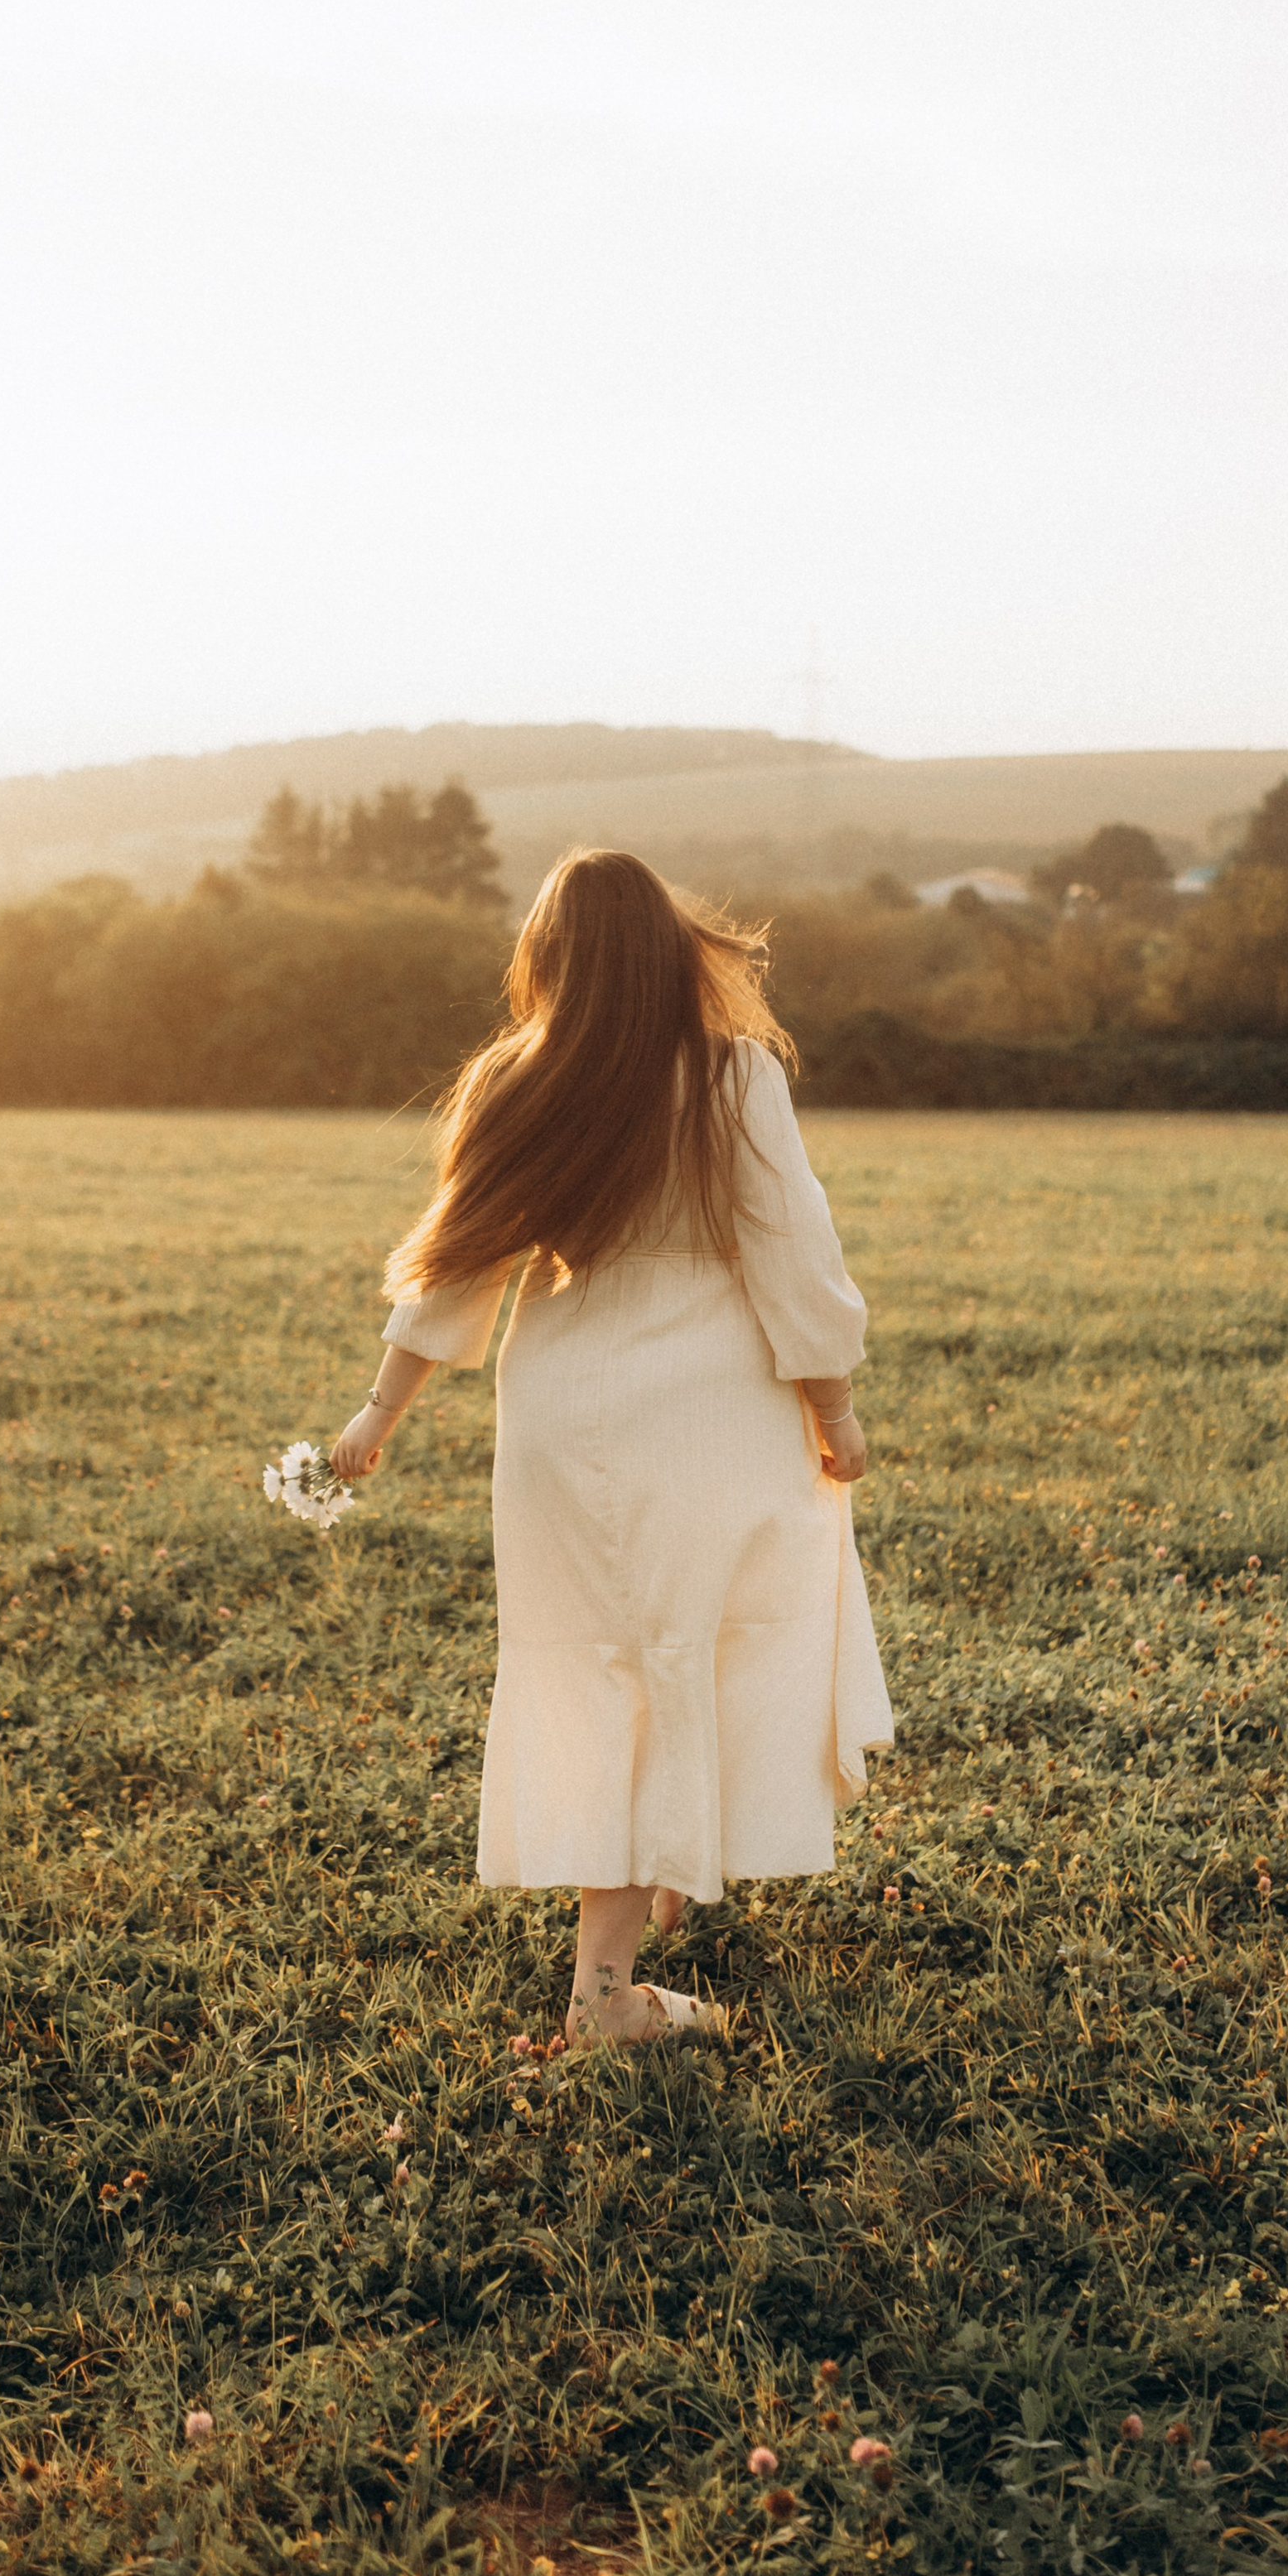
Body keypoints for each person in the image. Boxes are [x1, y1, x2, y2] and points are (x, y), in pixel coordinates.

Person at [330, 850, 892, 2048]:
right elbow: (794, 1253)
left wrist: (380, 1410)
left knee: (604, 1665)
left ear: (549, 960)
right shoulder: (734, 1076)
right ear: (669, 950)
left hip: (566, 1412)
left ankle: (661, 1870)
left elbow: (460, 1260)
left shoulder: (514, 1079)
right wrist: (835, 1409)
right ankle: (605, 1995)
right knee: (702, 1648)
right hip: (712, 1408)